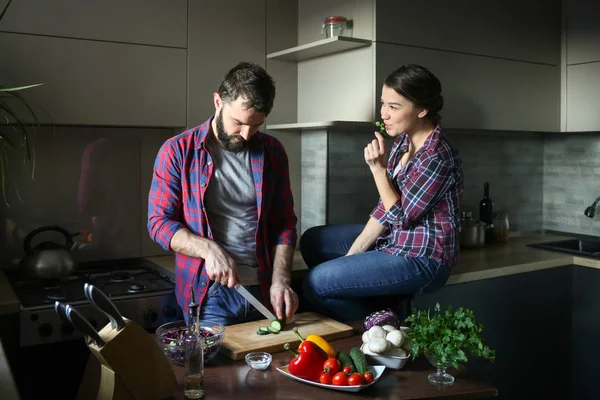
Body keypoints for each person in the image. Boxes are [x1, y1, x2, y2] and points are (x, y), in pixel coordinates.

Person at [300, 64, 464, 322]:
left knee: (315, 283)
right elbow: (384, 210)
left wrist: (378, 170)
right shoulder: (402, 141)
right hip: (394, 240)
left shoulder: (436, 155)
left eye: (394, 107)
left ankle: (383, 325)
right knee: (313, 240)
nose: (384, 114)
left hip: (423, 258)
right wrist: (351, 259)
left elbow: (402, 217)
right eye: (383, 104)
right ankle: (383, 298)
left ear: (422, 109)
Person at [147, 62, 298, 326]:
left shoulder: (273, 152)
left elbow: (284, 222)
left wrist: (281, 280)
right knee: (216, 369)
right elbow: (158, 223)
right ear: (218, 101)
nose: (246, 134)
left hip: (264, 290)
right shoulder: (177, 151)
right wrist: (208, 249)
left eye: (256, 125)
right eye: (238, 122)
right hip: (209, 294)